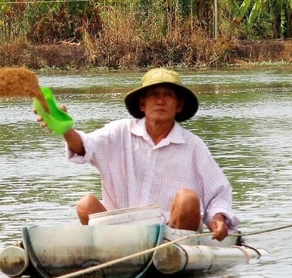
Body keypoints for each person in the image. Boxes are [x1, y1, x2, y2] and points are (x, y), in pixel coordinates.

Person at [43, 68, 237, 241]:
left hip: (174, 235)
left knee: (187, 199)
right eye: (153, 95)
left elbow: (219, 192)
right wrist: (65, 128)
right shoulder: (119, 132)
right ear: (142, 104)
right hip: (123, 235)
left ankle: (170, 256)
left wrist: (218, 220)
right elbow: (84, 146)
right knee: (85, 204)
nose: (160, 101)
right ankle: (117, 256)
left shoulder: (193, 146)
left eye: (168, 95)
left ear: (179, 105)